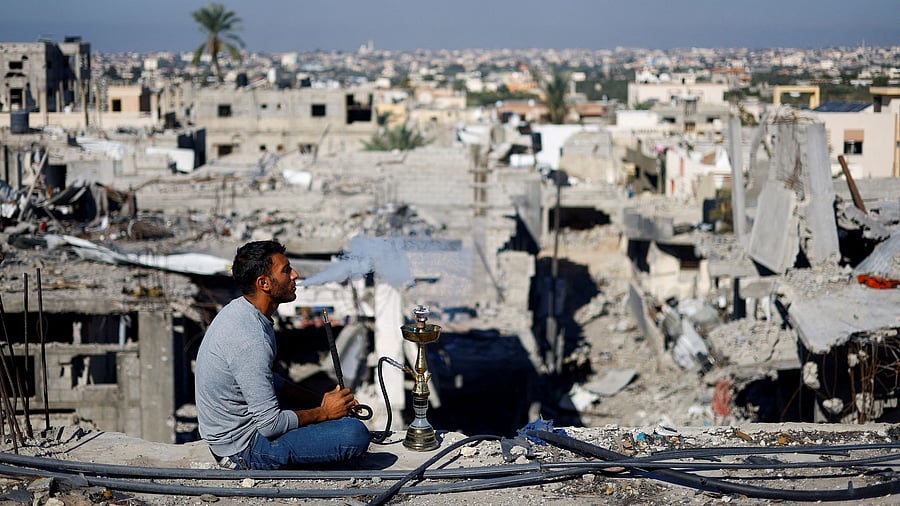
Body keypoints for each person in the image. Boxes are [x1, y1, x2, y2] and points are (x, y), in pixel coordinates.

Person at [195, 240, 371, 469]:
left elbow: (271, 381)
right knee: (353, 434)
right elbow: (270, 425)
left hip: (236, 433)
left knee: (327, 418)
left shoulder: (243, 311)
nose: (295, 275)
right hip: (242, 449)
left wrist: (322, 401)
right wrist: (325, 413)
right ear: (264, 283)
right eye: (286, 270)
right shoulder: (250, 338)